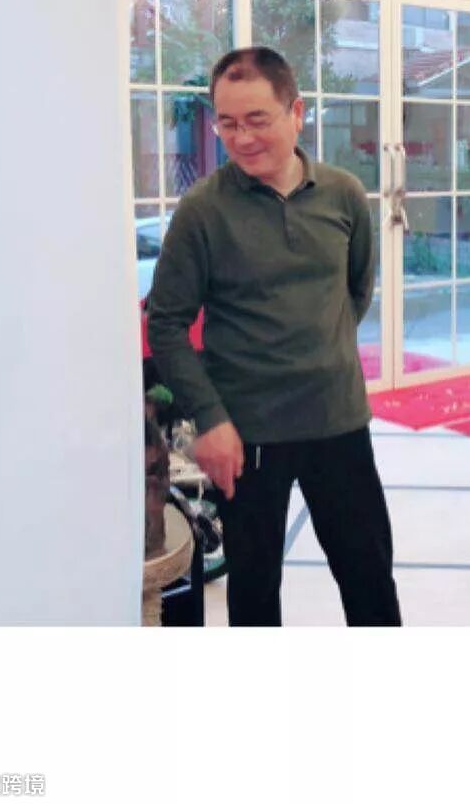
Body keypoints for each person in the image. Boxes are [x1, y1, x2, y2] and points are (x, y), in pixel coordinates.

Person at [147, 46, 401, 627]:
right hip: (247, 435)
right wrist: (210, 419)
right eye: (227, 123)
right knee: (255, 592)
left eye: (257, 119)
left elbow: (354, 292)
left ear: (297, 112)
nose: (241, 138)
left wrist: (319, 351)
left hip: (338, 422)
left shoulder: (342, 194)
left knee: (369, 577)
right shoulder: (203, 210)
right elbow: (165, 322)